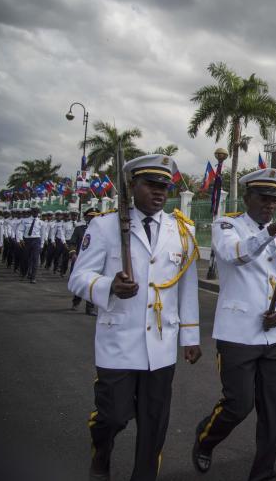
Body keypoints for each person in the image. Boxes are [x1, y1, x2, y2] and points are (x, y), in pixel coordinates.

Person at [68, 154, 202, 481]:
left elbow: (187, 289)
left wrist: (191, 337)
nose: (159, 193)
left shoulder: (181, 231)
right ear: (132, 186)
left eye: (164, 187)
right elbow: (77, 277)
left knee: (154, 423)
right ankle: (102, 450)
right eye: (151, 185)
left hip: (161, 343)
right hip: (119, 340)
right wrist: (108, 285)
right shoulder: (104, 226)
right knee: (112, 416)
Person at [192, 168, 276, 480]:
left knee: (272, 410)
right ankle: (205, 438)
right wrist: (270, 232)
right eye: (263, 197)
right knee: (238, 405)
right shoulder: (227, 225)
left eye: (274, 199)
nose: (269, 204)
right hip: (238, 334)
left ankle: (263, 472)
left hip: (275, 336)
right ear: (247, 197)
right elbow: (233, 255)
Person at [68, 207, 100, 315]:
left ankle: (90, 308)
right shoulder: (79, 229)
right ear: (86, 217)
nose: (93, 218)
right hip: (81, 261)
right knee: (81, 282)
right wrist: (73, 253)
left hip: (96, 261)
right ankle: (76, 301)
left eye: (95, 216)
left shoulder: (102, 231)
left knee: (92, 283)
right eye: (91, 216)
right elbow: (72, 242)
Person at [17, 206, 43, 283]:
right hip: (27, 241)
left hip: (36, 240)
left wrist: (42, 245)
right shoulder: (25, 220)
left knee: (35, 259)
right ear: (31, 212)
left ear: (38, 213)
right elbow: (20, 230)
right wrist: (21, 239)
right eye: (34, 211)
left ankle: (33, 277)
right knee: (25, 259)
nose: (35, 213)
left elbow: (43, 234)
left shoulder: (41, 222)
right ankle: (24, 274)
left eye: (37, 212)